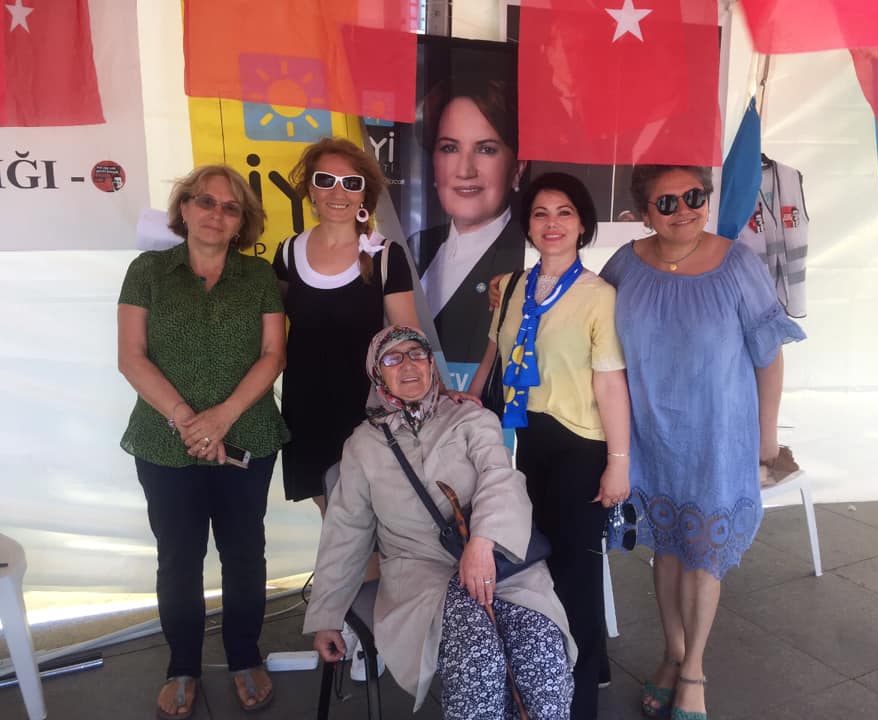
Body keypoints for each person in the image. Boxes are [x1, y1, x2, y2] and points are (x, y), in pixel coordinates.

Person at [600, 165, 806, 720]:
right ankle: (672, 653)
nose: (684, 210)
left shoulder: (737, 264)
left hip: (718, 436)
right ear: (644, 214)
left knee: (703, 556)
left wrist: (767, 438)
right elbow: (587, 323)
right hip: (651, 435)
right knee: (667, 550)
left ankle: (693, 670)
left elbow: (768, 356)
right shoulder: (624, 266)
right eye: (667, 203)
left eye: (694, 196)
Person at [305, 325, 576, 719]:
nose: (407, 365)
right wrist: (327, 616)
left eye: (417, 354)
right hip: (422, 577)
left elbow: (501, 477)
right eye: (392, 358)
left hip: (499, 564)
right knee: (477, 657)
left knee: (541, 653)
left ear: (431, 364)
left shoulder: (469, 417)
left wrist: (482, 543)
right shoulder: (363, 446)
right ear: (377, 373)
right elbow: (346, 531)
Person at [117, 164, 288, 718]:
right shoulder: (147, 271)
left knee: (244, 553)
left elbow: (273, 355)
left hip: (248, 436)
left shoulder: (258, 276)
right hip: (164, 443)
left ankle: (244, 657)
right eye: (206, 201)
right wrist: (188, 420)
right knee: (179, 558)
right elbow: (131, 357)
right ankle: (182, 666)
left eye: (230, 207)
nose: (217, 213)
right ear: (185, 208)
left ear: (242, 222)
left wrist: (223, 417)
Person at [469, 172, 631, 720]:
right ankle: (585, 667)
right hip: (530, 440)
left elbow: (610, 383)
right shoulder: (513, 286)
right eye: (541, 213)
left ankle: (579, 704)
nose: (552, 223)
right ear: (528, 225)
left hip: (582, 445)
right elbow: (494, 353)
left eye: (565, 213)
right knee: (543, 566)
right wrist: (470, 401)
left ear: (582, 224)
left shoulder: (598, 297)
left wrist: (618, 464)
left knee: (576, 574)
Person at [272, 137, 418, 509]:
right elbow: (270, 334)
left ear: (364, 194)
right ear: (310, 189)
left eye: (351, 183)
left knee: (375, 517)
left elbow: (408, 341)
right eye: (325, 180)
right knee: (333, 518)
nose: (338, 192)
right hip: (307, 407)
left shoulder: (385, 255)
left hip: (367, 409)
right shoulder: (287, 253)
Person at [410, 76, 528, 377]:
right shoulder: (413, 246)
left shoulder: (529, 256)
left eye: (486, 149)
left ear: (517, 168)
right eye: (450, 148)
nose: (465, 170)